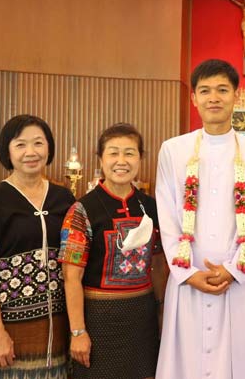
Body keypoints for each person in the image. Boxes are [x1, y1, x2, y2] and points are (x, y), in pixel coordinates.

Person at [155, 58, 245, 379]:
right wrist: (187, 273)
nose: (214, 98)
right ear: (193, 98)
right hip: (188, 279)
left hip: (239, 283)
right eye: (205, 90)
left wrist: (235, 270)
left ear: (236, 95)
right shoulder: (173, 150)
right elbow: (167, 215)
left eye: (222, 90)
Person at [0, 114, 75, 378]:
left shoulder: (64, 198)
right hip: (11, 330)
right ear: (8, 151)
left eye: (38, 143)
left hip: (60, 327)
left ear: (49, 147)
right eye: (20, 145)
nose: (31, 152)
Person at [59, 123, 166, 379]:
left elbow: (159, 264)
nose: (121, 161)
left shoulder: (151, 207)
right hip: (98, 320)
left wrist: (162, 312)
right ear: (100, 159)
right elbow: (71, 276)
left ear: (140, 158)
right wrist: (77, 331)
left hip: (142, 318)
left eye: (129, 153)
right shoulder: (82, 210)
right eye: (113, 153)